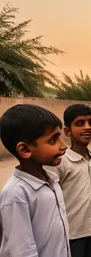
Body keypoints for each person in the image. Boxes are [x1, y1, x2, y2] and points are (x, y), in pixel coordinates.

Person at [0, 104, 70, 257]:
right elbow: (22, 251)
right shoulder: (16, 195)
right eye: (53, 140)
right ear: (25, 150)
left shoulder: (52, 181)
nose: (63, 146)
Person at [46, 104, 91, 257]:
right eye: (80, 123)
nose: (87, 127)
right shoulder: (61, 162)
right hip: (71, 235)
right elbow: (50, 200)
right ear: (67, 131)